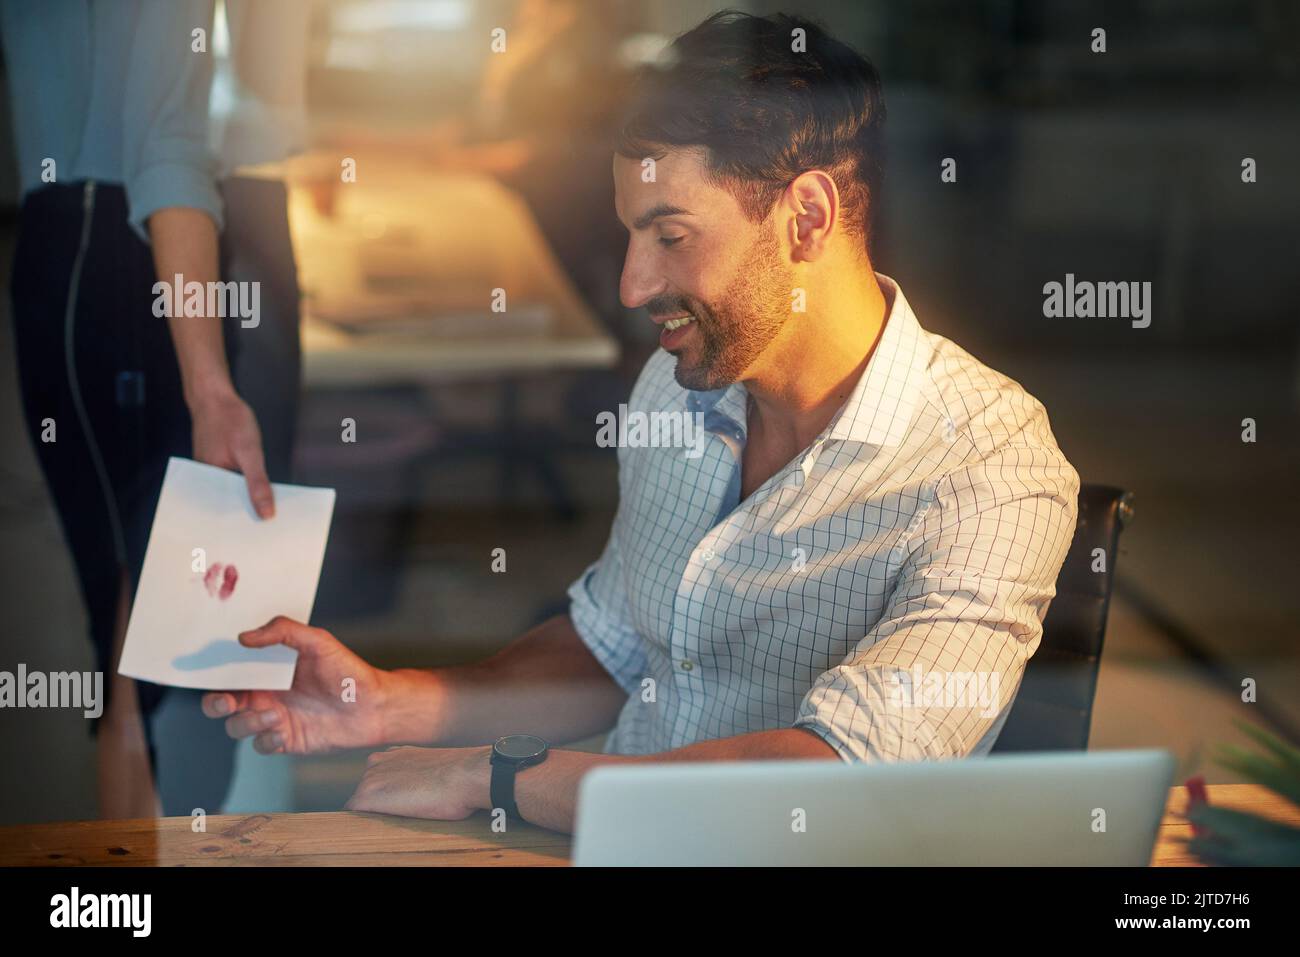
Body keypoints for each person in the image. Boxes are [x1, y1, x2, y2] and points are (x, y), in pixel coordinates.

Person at [202, 12, 1080, 834]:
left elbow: (850, 783)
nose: (630, 286)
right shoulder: (677, 391)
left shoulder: (992, 466)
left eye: (670, 235)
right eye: (630, 235)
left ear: (806, 217)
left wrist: (497, 776)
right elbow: (613, 645)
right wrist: (384, 701)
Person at [1, 0, 302, 817]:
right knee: (161, 658)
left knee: (188, 656)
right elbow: (170, 143)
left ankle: (142, 881)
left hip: (186, 238)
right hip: (145, 249)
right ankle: (129, 889)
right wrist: (209, 386)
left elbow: (249, 108)